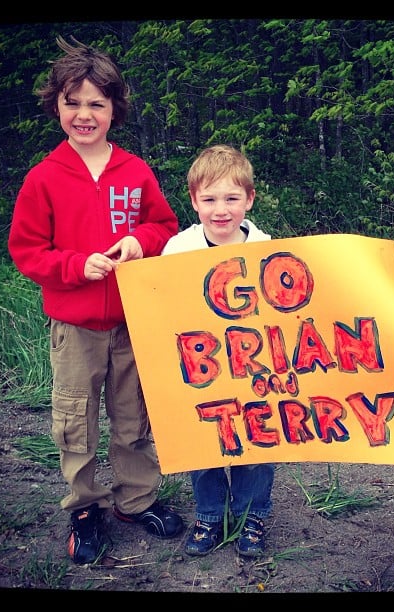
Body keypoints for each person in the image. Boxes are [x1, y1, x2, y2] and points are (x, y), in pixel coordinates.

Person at [8, 36, 184, 565]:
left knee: (134, 419)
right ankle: (85, 507)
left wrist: (141, 241)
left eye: (96, 104)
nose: (84, 114)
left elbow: (165, 225)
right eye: (73, 102)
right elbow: (26, 251)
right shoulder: (43, 178)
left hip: (134, 323)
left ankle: (136, 499)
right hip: (75, 326)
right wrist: (73, 266)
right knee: (76, 421)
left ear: (114, 109)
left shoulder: (134, 171)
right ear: (57, 106)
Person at [161, 144, 274, 558]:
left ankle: (252, 513)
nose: (220, 209)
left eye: (231, 198)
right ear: (193, 201)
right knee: (203, 438)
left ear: (249, 199)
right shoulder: (177, 249)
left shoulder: (266, 248)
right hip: (200, 368)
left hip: (255, 366)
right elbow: (160, 308)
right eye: (209, 199)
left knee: (260, 438)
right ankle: (210, 514)